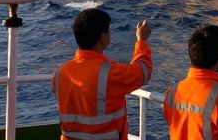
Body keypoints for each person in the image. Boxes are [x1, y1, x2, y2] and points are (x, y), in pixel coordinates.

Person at [53, 9, 152, 140]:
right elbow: (143, 72)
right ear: (103, 37)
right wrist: (141, 41)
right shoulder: (110, 73)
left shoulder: (60, 73)